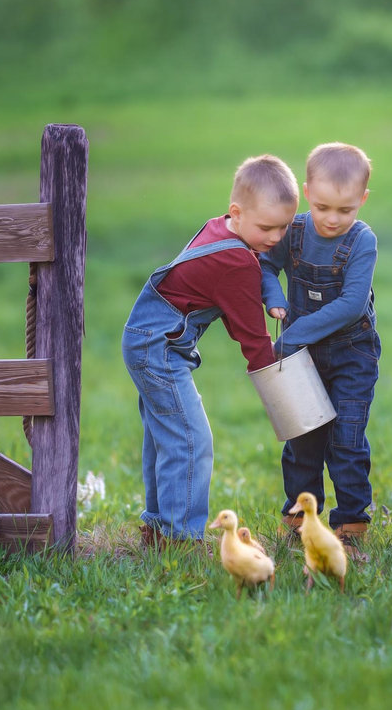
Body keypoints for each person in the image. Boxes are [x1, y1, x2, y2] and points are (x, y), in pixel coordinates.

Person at [123, 155, 298, 546]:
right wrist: (282, 390)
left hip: (146, 339)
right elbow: (251, 336)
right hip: (158, 349)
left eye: (284, 227)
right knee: (189, 439)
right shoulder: (234, 259)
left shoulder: (222, 229)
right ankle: (179, 538)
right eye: (267, 227)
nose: (275, 237)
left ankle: (159, 528)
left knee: (163, 435)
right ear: (237, 211)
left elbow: (257, 264)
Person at [261, 142, 380, 546]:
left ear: (362, 200)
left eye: (346, 210)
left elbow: (350, 305)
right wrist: (273, 295)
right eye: (323, 206)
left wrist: (292, 333)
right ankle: (300, 514)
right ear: (308, 191)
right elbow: (264, 263)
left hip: (352, 352)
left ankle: (350, 523)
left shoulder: (362, 242)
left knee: (346, 437)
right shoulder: (292, 231)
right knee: (303, 437)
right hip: (302, 357)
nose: (332, 219)